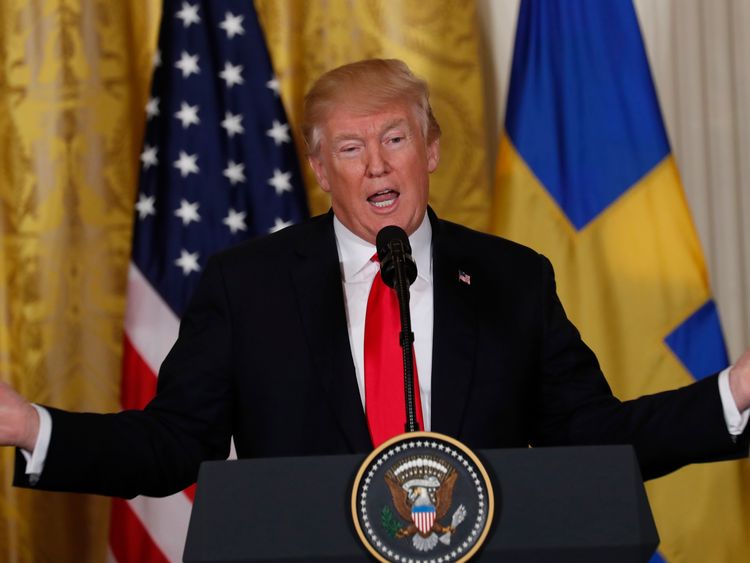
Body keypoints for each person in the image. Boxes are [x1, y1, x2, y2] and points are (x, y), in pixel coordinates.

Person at [1, 59, 749, 498]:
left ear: (431, 149)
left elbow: (596, 441)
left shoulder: (510, 279)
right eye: (351, 148)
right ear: (322, 169)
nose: (377, 165)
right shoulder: (248, 286)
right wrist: (33, 427)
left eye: (395, 138)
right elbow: (170, 446)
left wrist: (736, 390)